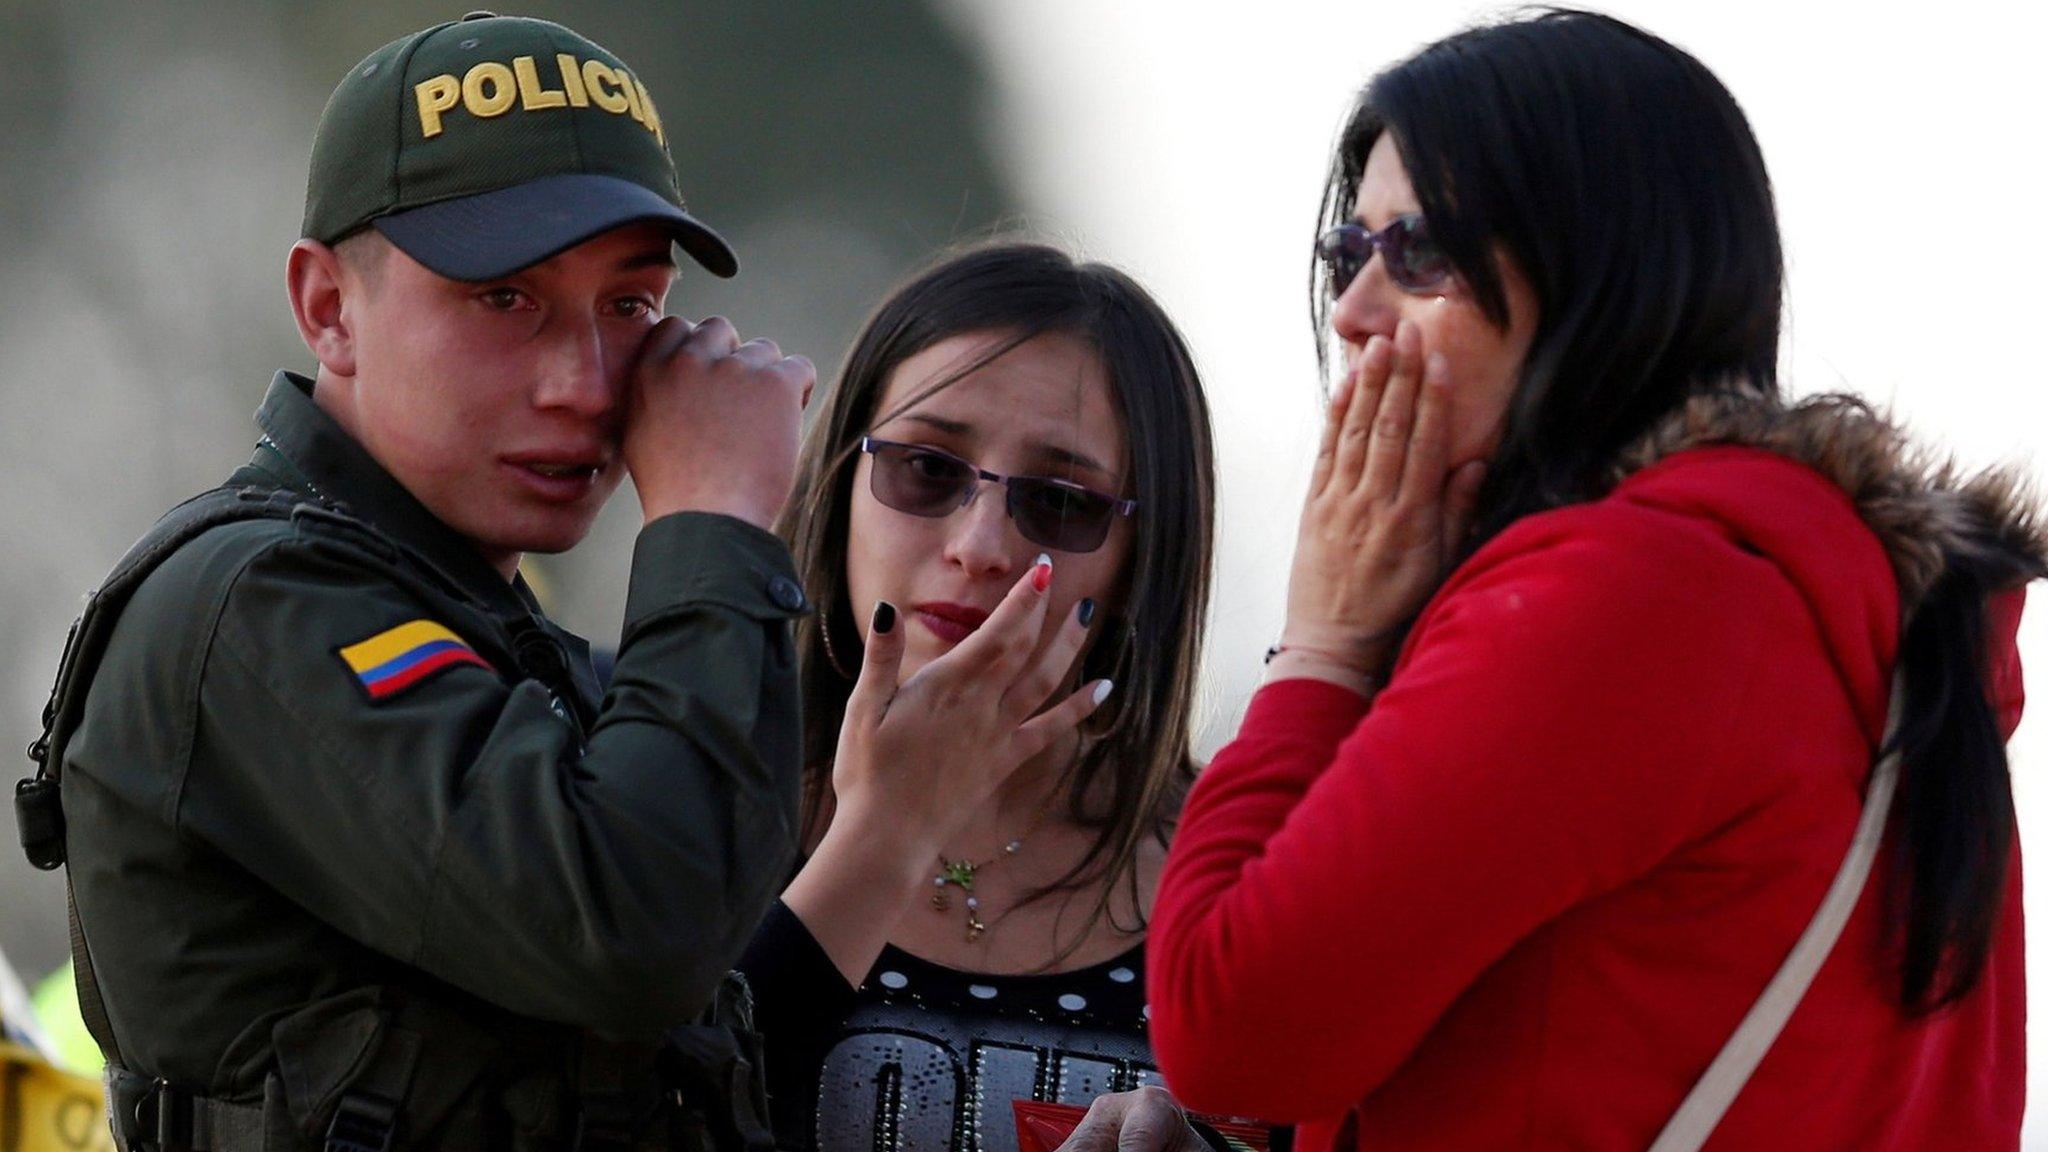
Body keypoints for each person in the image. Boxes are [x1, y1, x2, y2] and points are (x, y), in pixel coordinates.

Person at [1145, 9, 2043, 1152]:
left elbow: (1236, 1034)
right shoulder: (1840, 608)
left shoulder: (1625, 596)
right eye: (1345, 255)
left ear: (1592, 270)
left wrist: (1320, 646)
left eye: (1414, 253)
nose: (1354, 312)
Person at [15, 13, 815, 1150]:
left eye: (630, 305)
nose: (585, 383)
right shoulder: (255, 605)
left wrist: (894, 824)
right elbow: (631, 931)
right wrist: (711, 525)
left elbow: (697, 1025)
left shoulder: (499, 635)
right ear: (329, 307)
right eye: (506, 299)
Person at [732, 243, 1227, 1152]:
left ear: (1144, 558)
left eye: (1061, 500)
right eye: (925, 468)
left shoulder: (1236, 877)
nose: (980, 543)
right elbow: (636, 1119)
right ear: (841, 485)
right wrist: (886, 836)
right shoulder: (683, 806)